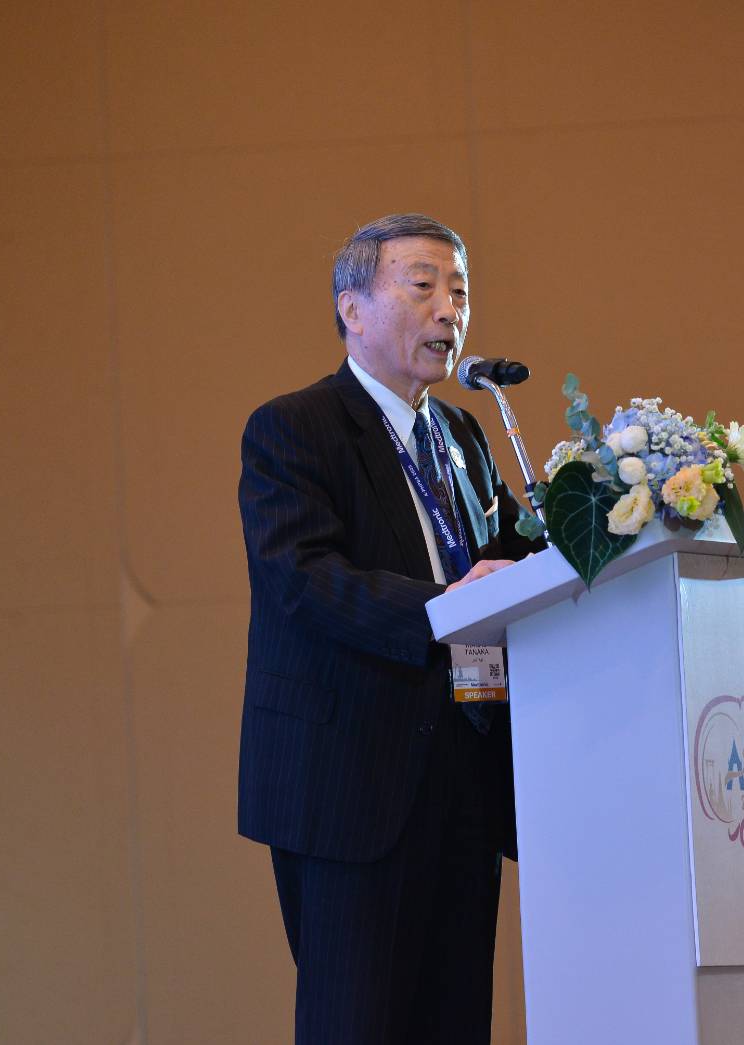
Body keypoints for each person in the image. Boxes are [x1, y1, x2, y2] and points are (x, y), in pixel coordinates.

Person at [236, 212, 539, 1043]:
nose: (449, 310)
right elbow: (303, 579)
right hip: (351, 782)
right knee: (358, 1023)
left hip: (465, 771)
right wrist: (447, 604)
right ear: (352, 308)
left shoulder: (463, 433)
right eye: (423, 287)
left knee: (454, 1022)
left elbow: (515, 555)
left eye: (461, 292)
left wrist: (609, 515)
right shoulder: (293, 428)